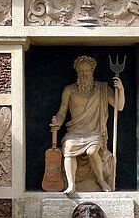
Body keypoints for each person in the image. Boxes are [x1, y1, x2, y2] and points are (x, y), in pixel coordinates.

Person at [52, 55, 125, 194]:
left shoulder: (102, 88)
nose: (85, 74)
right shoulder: (69, 90)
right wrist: (58, 122)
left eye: (87, 71)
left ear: (92, 71)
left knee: (92, 151)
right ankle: (71, 185)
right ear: (77, 72)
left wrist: (120, 90)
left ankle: (101, 180)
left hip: (94, 132)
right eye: (81, 71)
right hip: (75, 131)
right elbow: (62, 111)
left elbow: (119, 106)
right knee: (69, 146)